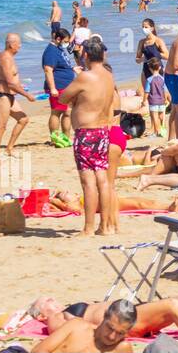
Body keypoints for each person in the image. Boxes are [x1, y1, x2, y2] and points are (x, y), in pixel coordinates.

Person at [57, 37, 118, 236]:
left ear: (85, 55)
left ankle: (89, 227)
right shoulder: (109, 76)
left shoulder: (85, 77)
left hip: (87, 132)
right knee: (103, 179)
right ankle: (105, 226)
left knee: (88, 181)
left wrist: (76, 88)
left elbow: (63, 97)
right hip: (103, 131)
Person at [29, 292, 178, 345]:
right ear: (40, 313)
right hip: (122, 323)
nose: (53, 299)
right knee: (171, 305)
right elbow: (73, 333)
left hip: (129, 313)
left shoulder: (67, 308)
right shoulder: (54, 319)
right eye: (47, 300)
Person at [30, 298, 135, 353]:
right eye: (110, 328)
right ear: (104, 317)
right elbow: (38, 350)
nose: (112, 336)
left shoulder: (121, 348)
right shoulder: (76, 326)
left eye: (120, 333)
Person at [0, 33, 35, 160]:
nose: (20, 46)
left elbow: (12, 79)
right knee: (1, 127)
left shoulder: (10, 57)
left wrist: (21, 87)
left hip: (10, 96)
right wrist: (27, 95)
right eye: (18, 43)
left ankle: (9, 148)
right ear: (11, 44)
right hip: (2, 96)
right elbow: (10, 83)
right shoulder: (5, 57)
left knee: (23, 120)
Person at [40, 28, 78, 147]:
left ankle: (65, 138)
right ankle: (55, 139)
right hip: (58, 86)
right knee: (57, 112)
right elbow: (48, 70)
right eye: (65, 41)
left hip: (67, 86)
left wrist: (72, 69)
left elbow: (62, 65)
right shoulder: (50, 51)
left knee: (67, 112)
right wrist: (52, 88)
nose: (66, 43)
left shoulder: (59, 48)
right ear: (58, 39)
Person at [143, 59, 168, 138]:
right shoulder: (162, 79)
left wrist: (144, 100)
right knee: (161, 115)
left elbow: (147, 91)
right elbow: (165, 90)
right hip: (161, 100)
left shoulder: (149, 80)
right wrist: (166, 99)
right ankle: (162, 128)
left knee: (155, 117)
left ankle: (157, 132)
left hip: (153, 101)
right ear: (160, 68)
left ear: (150, 68)